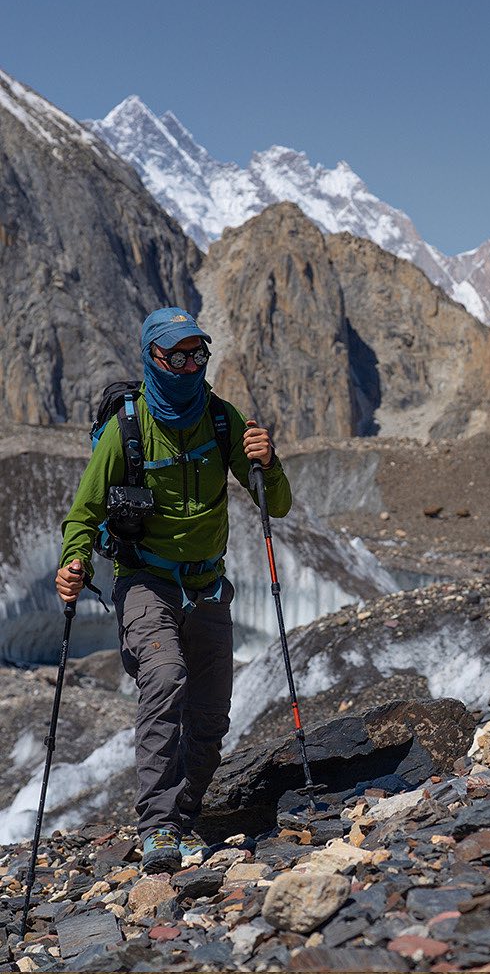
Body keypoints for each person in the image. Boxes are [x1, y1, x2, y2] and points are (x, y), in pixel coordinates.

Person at [56, 307, 292, 873]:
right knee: (164, 678)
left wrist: (268, 461)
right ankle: (157, 826)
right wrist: (73, 563)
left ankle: (184, 819)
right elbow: (83, 514)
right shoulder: (127, 430)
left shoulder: (221, 419)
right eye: (177, 355)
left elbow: (275, 504)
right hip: (146, 582)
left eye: (198, 355)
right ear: (153, 357)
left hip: (208, 586)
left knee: (210, 716)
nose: (189, 366)